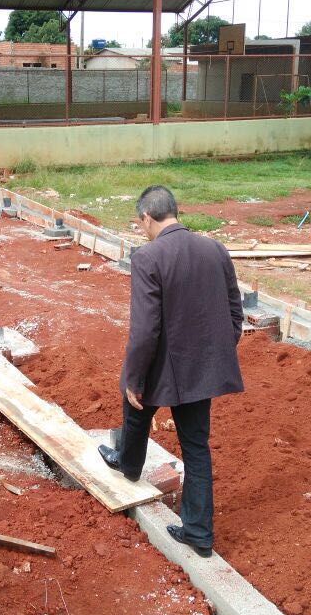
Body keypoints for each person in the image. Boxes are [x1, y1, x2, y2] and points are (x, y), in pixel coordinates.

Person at [98, 186, 243, 558]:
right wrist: (213, 357)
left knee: (134, 403)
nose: (141, 228)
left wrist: (133, 376)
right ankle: (198, 532)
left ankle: (129, 463)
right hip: (201, 369)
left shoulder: (148, 257)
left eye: (140, 222)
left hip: (164, 366)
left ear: (147, 217)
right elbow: (234, 314)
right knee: (196, 449)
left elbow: (146, 329)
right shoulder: (215, 249)